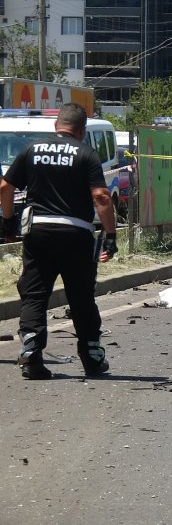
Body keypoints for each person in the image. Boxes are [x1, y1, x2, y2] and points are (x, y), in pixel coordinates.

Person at [0, 103, 118, 380]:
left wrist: (7, 221)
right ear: (82, 130)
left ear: (57, 126)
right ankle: (91, 357)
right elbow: (101, 196)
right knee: (81, 297)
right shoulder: (87, 154)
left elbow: (5, 187)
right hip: (76, 234)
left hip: (38, 233)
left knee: (35, 293)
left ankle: (31, 353)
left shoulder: (32, 150)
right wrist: (111, 235)